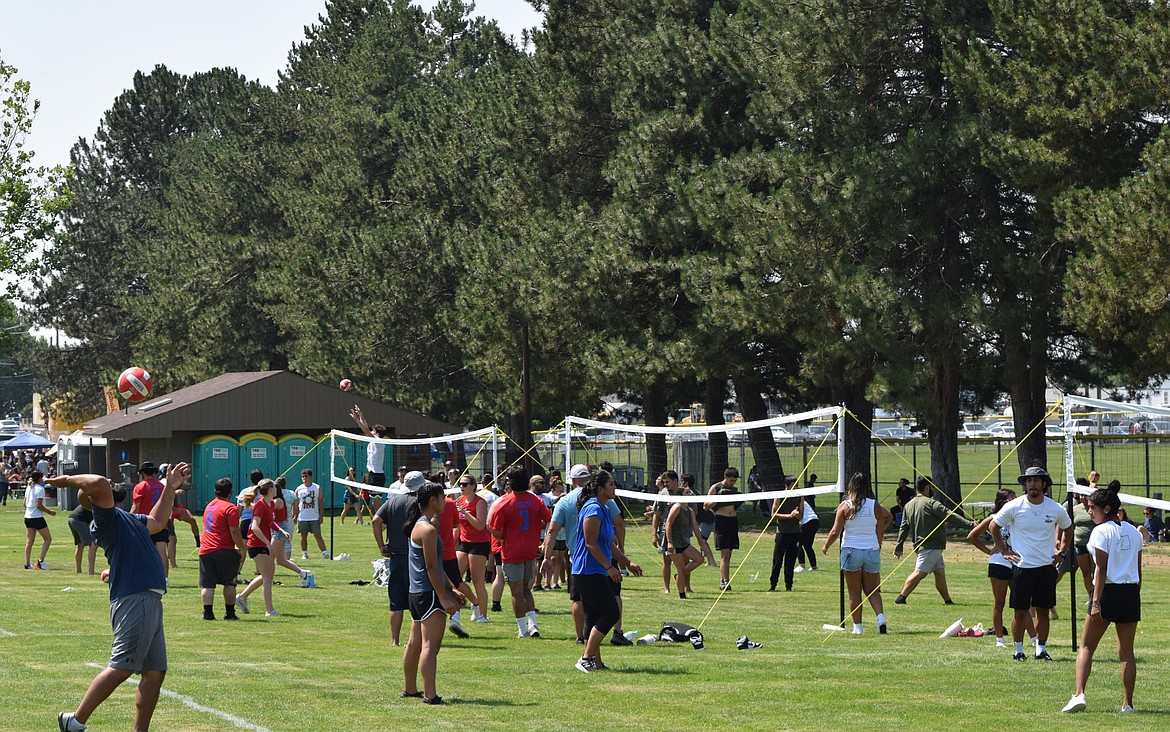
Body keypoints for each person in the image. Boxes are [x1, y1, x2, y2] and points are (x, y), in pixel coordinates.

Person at [49, 463, 190, 732]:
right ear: (93, 500)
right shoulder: (106, 521)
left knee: (154, 672)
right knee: (122, 667)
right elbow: (99, 483)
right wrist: (66, 480)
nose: (109, 484)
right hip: (135, 598)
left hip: (148, 598)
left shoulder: (126, 518)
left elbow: (158, 521)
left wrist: (170, 489)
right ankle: (75, 721)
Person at [1062, 480, 1143, 714]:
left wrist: (1096, 602)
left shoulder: (1099, 532)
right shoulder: (1133, 530)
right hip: (1129, 592)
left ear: (1106, 509)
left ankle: (1079, 694)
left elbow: (1101, 569)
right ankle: (1128, 704)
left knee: (1086, 646)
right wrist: (1133, 597)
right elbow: (1138, 571)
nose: (1089, 512)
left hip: (1107, 591)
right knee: (1127, 651)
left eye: (1092, 509)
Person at [990, 465, 1073, 661]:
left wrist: (1062, 553)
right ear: (1025, 485)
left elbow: (1068, 529)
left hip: (1046, 568)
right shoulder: (1014, 506)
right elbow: (994, 526)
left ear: (1044, 484)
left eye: (1036, 480)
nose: (1032, 484)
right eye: (1029, 481)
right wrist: (1003, 550)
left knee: (1043, 612)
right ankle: (1018, 651)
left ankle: (1040, 650)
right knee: (1020, 612)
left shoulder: (1054, 508)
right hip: (1021, 568)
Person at [571, 470, 642, 673]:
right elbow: (590, 543)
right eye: (611, 484)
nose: (614, 488)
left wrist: (627, 563)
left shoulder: (603, 508)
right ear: (601, 489)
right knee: (611, 613)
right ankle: (585, 658)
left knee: (594, 617)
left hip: (595, 571)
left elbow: (607, 544)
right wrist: (609, 567)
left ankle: (596, 663)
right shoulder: (593, 508)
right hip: (587, 571)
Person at [401, 481, 464, 705]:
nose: (446, 500)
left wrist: (453, 588)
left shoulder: (422, 525)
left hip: (416, 592)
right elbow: (431, 567)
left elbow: (435, 564)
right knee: (430, 646)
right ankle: (430, 695)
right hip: (428, 593)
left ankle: (410, 689)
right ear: (432, 500)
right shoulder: (426, 529)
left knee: (414, 643)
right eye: (442, 496)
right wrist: (444, 596)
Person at [822, 472, 891, 635]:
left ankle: (857, 627)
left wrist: (826, 546)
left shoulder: (845, 506)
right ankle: (880, 618)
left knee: (854, 592)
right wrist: (876, 545)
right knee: (873, 590)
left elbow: (834, 532)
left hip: (851, 551)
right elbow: (881, 529)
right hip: (872, 551)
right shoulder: (875, 505)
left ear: (851, 486)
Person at [488, 465, 551, 638]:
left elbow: (494, 529)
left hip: (512, 552)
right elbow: (548, 521)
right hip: (530, 551)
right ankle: (533, 625)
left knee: (516, 592)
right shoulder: (536, 501)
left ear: (512, 481)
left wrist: (504, 538)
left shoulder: (504, 502)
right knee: (526, 590)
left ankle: (523, 629)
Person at [967, 488, 1035, 649]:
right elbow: (972, 536)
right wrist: (989, 551)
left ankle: (1034, 639)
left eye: (1014, 499)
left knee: (1022, 603)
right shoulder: (993, 518)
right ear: (1001, 502)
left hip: (1017, 561)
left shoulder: (1018, 517)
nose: (1012, 502)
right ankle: (1000, 640)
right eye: (1008, 500)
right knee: (1000, 602)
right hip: (999, 562)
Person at [893, 477, 974, 605]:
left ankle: (948, 601)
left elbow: (903, 527)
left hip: (926, 546)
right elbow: (951, 515)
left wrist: (899, 546)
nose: (933, 490)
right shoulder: (932, 503)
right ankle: (901, 597)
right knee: (920, 573)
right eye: (932, 487)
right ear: (927, 487)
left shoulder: (908, 505)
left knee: (939, 573)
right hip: (931, 545)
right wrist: (971, 525)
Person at [237, 479, 313, 614]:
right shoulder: (261, 505)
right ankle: (269, 610)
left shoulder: (270, 504)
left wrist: (281, 530)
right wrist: (267, 542)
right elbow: (254, 527)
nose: (276, 488)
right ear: (270, 489)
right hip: (256, 545)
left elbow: (270, 522)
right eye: (274, 486)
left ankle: (242, 597)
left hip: (262, 544)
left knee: (267, 575)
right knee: (268, 577)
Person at [373, 470, 426, 645]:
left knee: (395, 602)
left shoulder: (393, 501)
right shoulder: (420, 504)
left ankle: (394, 640)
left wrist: (381, 545)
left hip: (395, 558)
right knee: (416, 601)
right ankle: (414, 640)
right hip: (415, 558)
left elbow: (375, 521)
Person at [198, 477, 247, 621]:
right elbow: (234, 531)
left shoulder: (209, 506)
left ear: (215, 491)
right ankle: (230, 613)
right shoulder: (230, 507)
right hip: (224, 549)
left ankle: (208, 613)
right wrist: (241, 548)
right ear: (230, 492)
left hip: (206, 549)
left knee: (208, 584)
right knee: (230, 582)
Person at [455, 473, 491, 622]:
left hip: (479, 544)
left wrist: (465, 513)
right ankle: (473, 603)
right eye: (460, 485)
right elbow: (457, 525)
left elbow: (480, 525)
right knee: (454, 578)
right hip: (464, 543)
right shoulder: (459, 501)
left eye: (465, 484)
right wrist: (451, 543)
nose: (461, 487)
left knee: (477, 580)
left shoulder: (479, 502)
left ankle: (483, 615)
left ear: (473, 486)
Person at [664, 480, 705, 598]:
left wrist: (701, 544)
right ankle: (682, 595)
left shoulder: (690, 510)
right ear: (680, 496)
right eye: (687, 492)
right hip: (674, 543)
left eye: (690, 492)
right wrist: (670, 542)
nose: (690, 494)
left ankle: (679, 576)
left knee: (699, 559)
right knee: (681, 568)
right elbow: (668, 524)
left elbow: (695, 528)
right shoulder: (677, 507)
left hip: (684, 542)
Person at [131, 462, 171, 576]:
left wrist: (128, 519)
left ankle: (142, 575)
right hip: (161, 521)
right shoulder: (161, 486)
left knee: (142, 551)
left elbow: (136, 506)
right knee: (162, 551)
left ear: (142, 473)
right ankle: (165, 579)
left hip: (145, 523)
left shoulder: (140, 486)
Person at [706, 467, 742, 591]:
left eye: (734, 481)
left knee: (729, 553)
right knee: (725, 553)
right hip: (722, 521)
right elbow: (706, 506)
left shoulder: (734, 489)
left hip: (733, 520)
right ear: (725, 476)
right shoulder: (716, 488)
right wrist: (718, 499)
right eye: (731, 480)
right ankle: (724, 581)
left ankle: (726, 579)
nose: (732, 483)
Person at [769, 475, 804, 592]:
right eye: (794, 486)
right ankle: (773, 584)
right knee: (777, 560)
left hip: (795, 532)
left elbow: (801, 516)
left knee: (790, 560)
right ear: (787, 486)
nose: (796, 488)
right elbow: (774, 514)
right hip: (782, 533)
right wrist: (789, 515)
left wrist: (796, 514)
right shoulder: (780, 495)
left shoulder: (800, 497)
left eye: (797, 486)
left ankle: (788, 585)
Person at [349, 404, 388, 489]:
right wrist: (360, 414)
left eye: (373, 430)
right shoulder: (374, 439)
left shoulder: (378, 441)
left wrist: (356, 419)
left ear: (377, 433)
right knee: (374, 500)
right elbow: (366, 426)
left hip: (377, 475)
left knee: (376, 500)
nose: (371, 431)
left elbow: (366, 430)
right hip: (373, 473)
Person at [24, 469, 55, 569]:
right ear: (40, 479)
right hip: (37, 517)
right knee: (48, 539)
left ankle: (27, 564)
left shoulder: (29, 487)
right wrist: (49, 512)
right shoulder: (40, 489)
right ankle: (40, 561)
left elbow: (24, 504)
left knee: (29, 541)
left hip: (28, 517)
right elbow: (39, 505)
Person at [684, 473, 718, 567]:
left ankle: (711, 561)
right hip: (703, 519)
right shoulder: (693, 491)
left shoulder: (690, 493)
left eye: (681, 481)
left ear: (686, 482)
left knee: (702, 540)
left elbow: (694, 511)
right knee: (701, 540)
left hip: (707, 519)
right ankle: (708, 560)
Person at [296, 468, 330, 559]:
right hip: (303, 517)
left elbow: (321, 501)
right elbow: (295, 504)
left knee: (318, 535)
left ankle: (325, 553)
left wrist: (321, 515)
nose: (304, 478)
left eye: (306, 476)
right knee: (303, 535)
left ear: (310, 477)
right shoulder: (299, 489)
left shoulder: (316, 488)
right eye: (302, 476)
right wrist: (295, 516)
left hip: (314, 516)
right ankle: (304, 553)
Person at [68, 497, 98, 575]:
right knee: (93, 544)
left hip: (71, 518)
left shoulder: (94, 499)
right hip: (79, 520)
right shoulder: (98, 501)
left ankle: (78, 570)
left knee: (80, 545)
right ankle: (91, 572)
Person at [794, 489, 819, 574]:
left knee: (798, 544)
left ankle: (802, 566)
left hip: (809, 522)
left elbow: (799, 516)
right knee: (808, 546)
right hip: (815, 521)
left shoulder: (797, 501)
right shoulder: (803, 501)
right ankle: (814, 567)